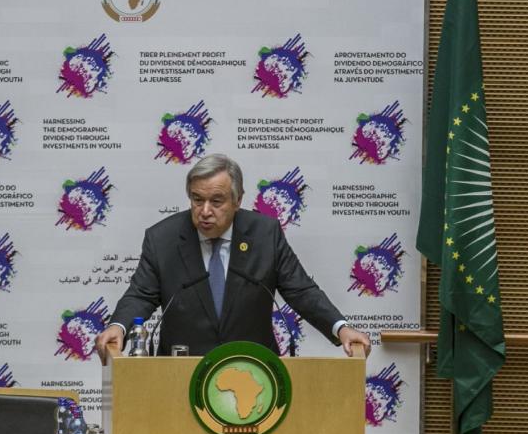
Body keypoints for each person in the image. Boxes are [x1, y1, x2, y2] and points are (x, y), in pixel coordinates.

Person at [95, 153, 371, 363]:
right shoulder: (163, 239)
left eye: (216, 201)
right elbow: (141, 295)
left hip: (253, 370)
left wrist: (341, 328)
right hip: (181, 372)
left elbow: (300, 290)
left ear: (238, 200)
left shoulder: (265, 235)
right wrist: (118, 326)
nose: (204, 211)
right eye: (196, 199)